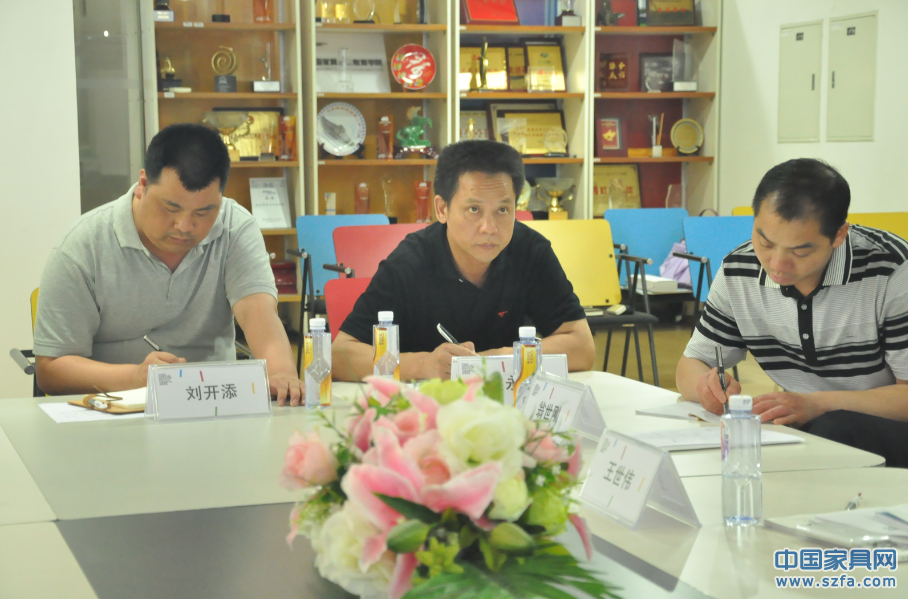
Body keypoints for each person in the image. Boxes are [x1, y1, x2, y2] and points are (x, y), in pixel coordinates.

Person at [34, 123, 305, 405]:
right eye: (170, 208)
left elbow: (258, 312)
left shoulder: (234, 227)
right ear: (142, 185)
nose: (184, 226)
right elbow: (51, 369)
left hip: (212, 404)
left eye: (203, 212)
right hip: (113, 407)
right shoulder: (82, 246)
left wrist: (281, 374)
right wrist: (137, 378)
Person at [676, 158, 908, 466]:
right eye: (765, 242)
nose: (776, 264)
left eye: (799, 251)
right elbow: (690, 365)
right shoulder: (739, 270)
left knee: (833, 430)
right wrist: (705, 387)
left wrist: (817, 404)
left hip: (886, 427)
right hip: (805, 422)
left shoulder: (892, 270)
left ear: (839, 235)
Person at [332, 140, 595, 382]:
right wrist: (423, 365)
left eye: (503, 210)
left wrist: (494, 359)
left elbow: (582, 347)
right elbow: (340, 356)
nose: (489, 228)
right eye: (474, 209)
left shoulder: (530, 251)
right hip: (425, 405)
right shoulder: (409, 262)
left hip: (503, 403)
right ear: (442, 209)